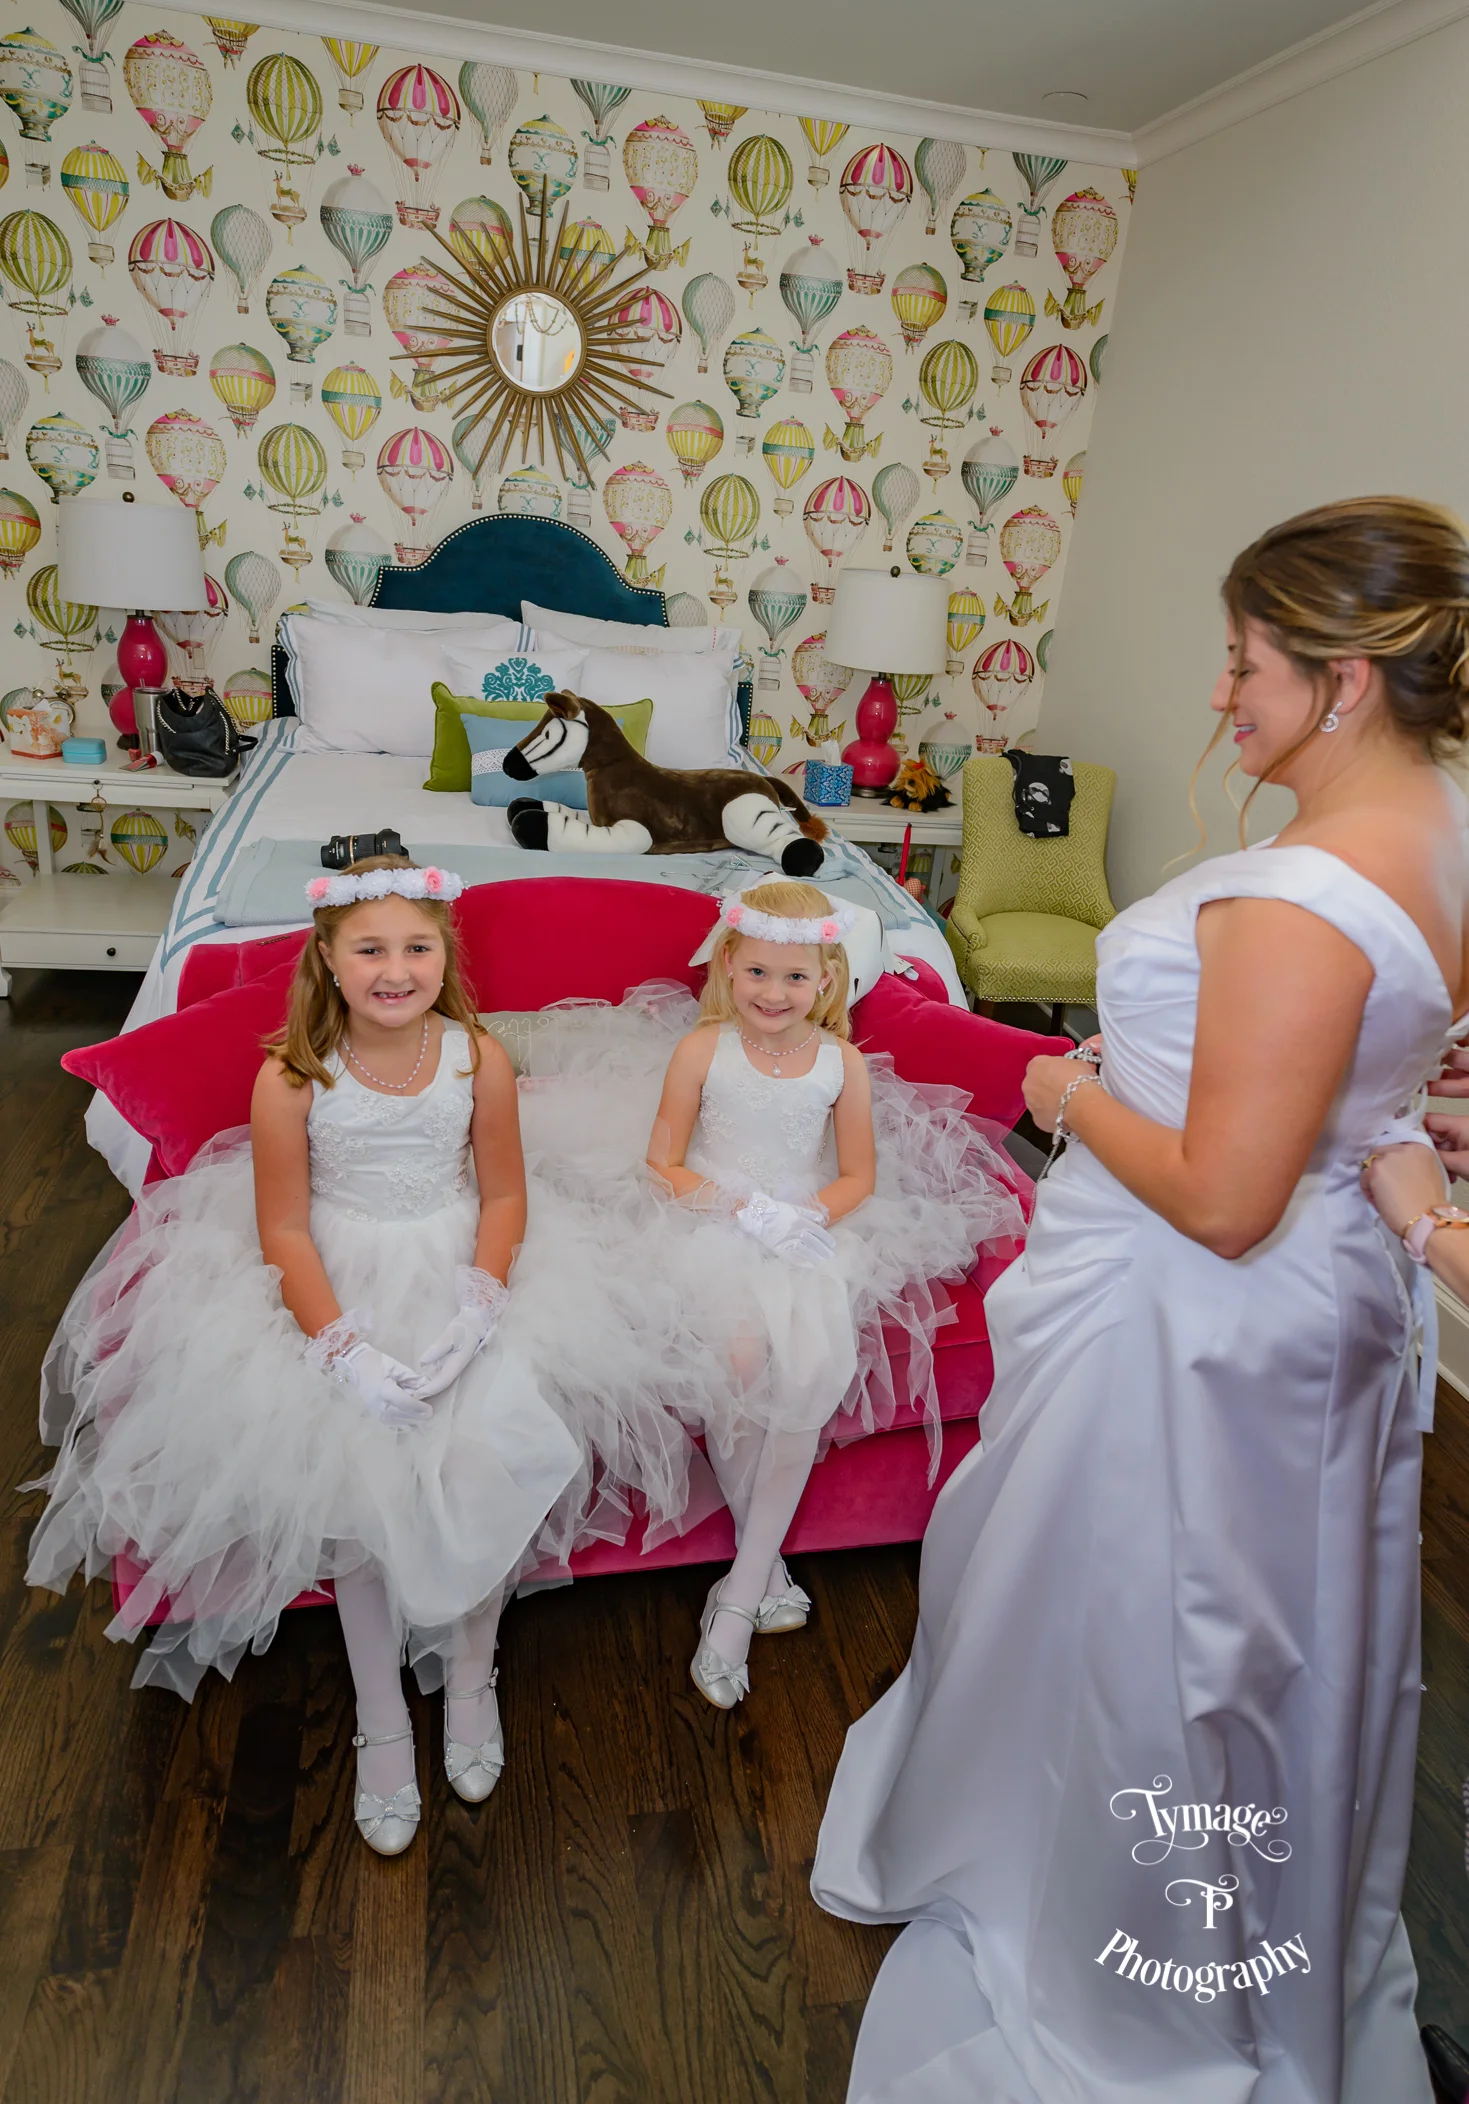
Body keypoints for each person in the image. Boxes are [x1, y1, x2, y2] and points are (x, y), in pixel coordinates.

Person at [811, 496, 1469, 2103]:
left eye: (1246, 663)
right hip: (1325, 1297)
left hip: (1198, 1321)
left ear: (1345, 681)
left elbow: (1224, 1201)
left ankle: (1136, 1968)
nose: (1220, 694)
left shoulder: (1301, 894)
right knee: (1269, 1639)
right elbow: (1366, 1092)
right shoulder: (1444, 824)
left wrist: (1056, 1089)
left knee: (1160, 1642)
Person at [27, 856, 581, 1857]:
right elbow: (283, 1227)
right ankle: (379, 1715)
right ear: (326, 958)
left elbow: (504, 1193)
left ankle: (471, 1676)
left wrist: (481, 1297)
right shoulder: (290, 1075)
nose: (395, 969)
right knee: (357, 1486)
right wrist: (341, 1346)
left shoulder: (476, 1058)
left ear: (444, 954)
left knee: (480, 1462)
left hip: (456, 1267)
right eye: (369, 949)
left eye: (416, 947)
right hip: (337, 1279)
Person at [504, 876, 1027, 1705]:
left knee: (806, 1373)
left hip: (805, 1226)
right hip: (710, 1219)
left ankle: (739, 1596)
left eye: (793, 977)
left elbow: (856, 1175)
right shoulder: (700, 1050)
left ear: (824, 980)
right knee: (740, 1362)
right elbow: (662, 1164)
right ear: (727, 968)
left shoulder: (839, 1063)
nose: (772, 992)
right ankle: (763, 1565)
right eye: (755, 972)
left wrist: (800, 1216)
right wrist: (741, 1208)